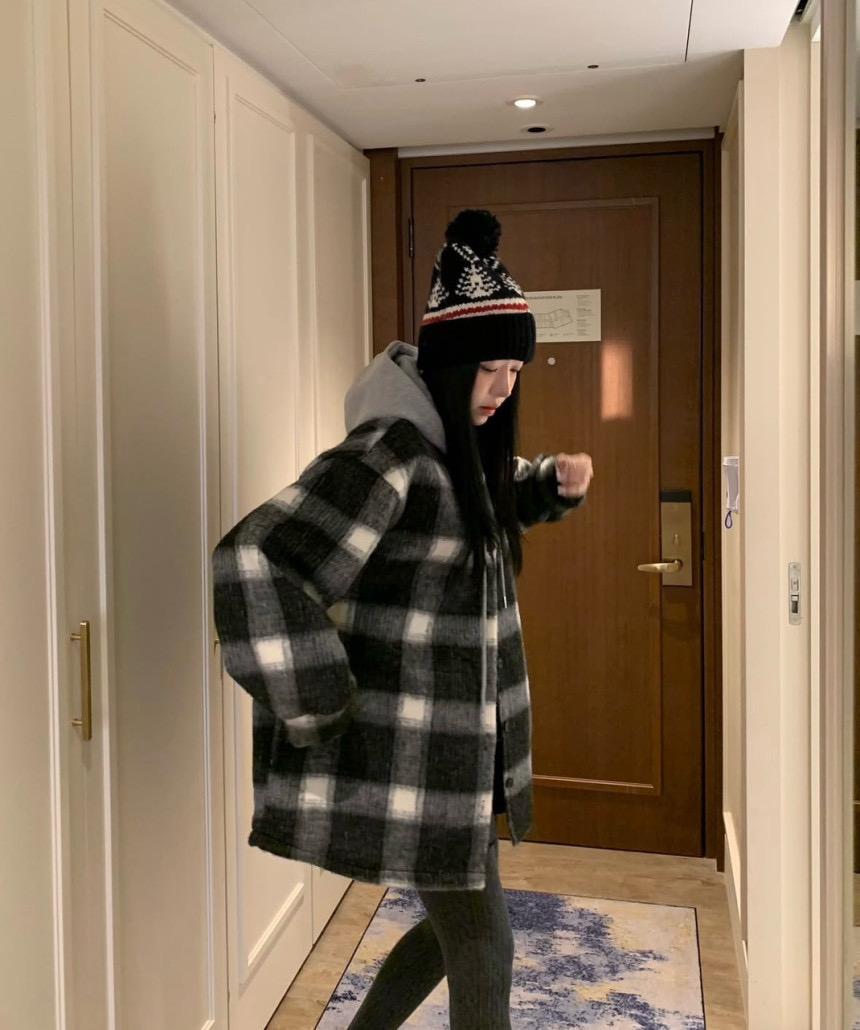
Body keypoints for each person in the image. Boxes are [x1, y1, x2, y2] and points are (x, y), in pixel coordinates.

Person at [212, 209, 594, 1029]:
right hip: (418, 752)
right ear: (447, 366)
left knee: (464, 929)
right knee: (484, 942)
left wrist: (545, 488)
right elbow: (253, 561)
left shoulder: (453, 450)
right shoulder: (389, 455)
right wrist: (318, 697)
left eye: (514, 370)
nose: (504, 389)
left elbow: (466, 518)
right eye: (489, 369)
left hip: (457, 753)